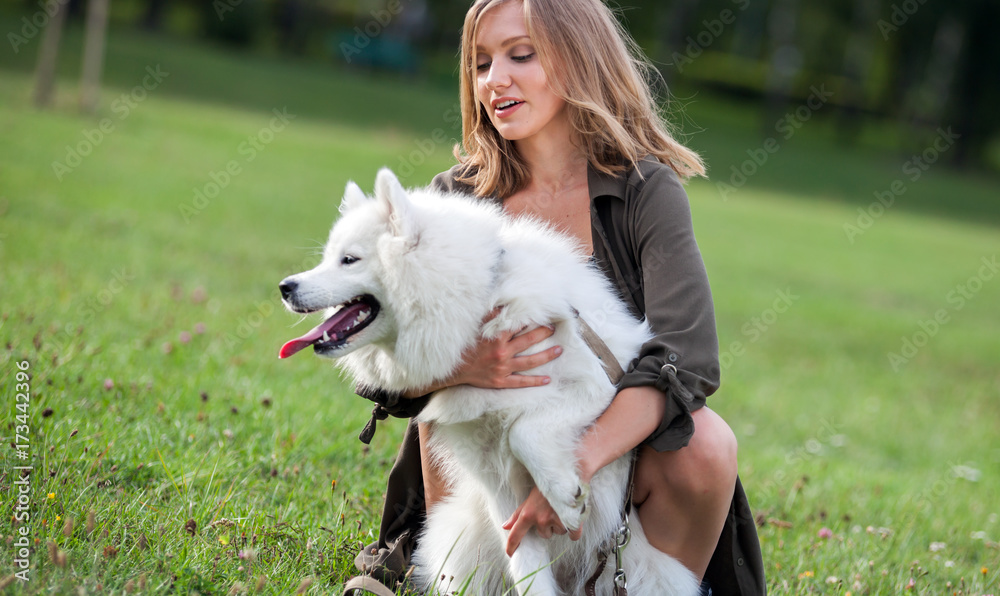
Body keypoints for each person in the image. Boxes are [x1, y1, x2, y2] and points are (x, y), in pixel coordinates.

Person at [344, 0, 766, 594]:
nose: (497, 80)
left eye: (522, 55)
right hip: (483, 471)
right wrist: (462, 365)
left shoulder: (646, 189)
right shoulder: (453, 200)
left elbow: (688, 357)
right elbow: (375, 355)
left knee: (708, 443)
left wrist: (573, 461)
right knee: (449, 409)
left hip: (612, 448)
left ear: (580, 59)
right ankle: (451, 582)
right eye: (482, 63)